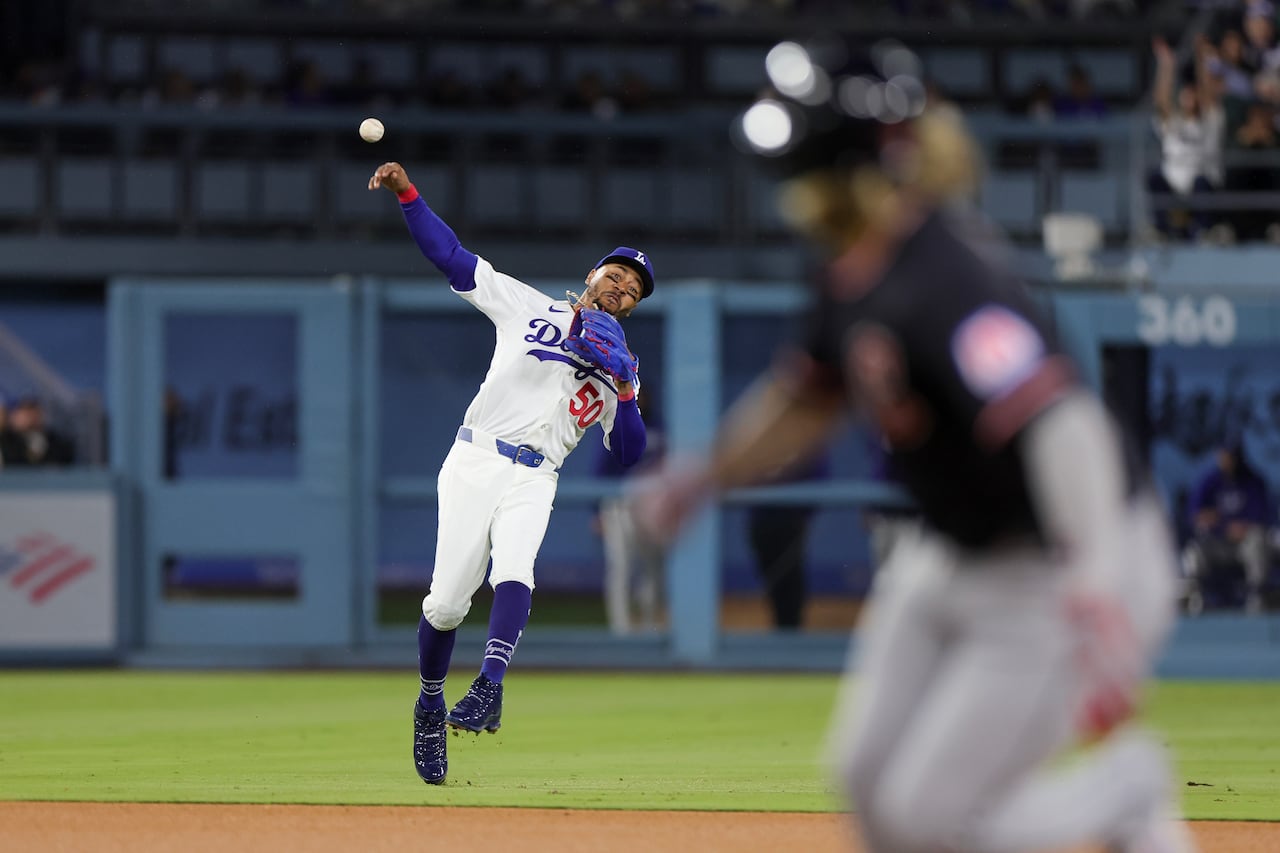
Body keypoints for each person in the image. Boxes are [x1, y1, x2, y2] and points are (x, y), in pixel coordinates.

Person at [632, 38, 1192, 852]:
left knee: (931, 815)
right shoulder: (846, 273)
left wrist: (1096, 574)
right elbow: (801, 401)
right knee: (867, 781)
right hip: (957, 550)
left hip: (1059, 557)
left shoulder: (945, 275)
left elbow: (1061, 421)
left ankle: (1124, 792)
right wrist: (703, 478)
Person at [367, 161, 654, 787]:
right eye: (615, 274)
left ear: (632, 307)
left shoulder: (621, 370)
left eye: (633, 288)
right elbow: (452, 257)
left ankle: (490, 686)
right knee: (445, 606)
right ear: (592, 275)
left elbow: (630, 453)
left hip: (537, 475)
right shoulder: (529, 307)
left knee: (517, 568)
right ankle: (428, 702)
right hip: (476, 459)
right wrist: (409, 194)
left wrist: (628, 389)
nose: (621, 287)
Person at [594, 384, 666, 635]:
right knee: (621, 568)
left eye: (643, 395)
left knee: (652, 568)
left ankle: (649, 626)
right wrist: (596, 513)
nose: (641, 400)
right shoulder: (617, 424)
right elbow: (601, 473)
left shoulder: (660, 427)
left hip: (652, 505)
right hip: (619, 505)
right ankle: (621, 630)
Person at [1148, 35, 1225, 242]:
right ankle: (1162, 229)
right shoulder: (1173, 123)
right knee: (1154, 178)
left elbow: (1208, 93)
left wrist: (1201, 59)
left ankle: (1202, 229)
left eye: (1194, 94)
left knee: (1202, 184)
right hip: (1173, 180)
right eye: (1187, 94)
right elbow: (1162, 100)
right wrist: (1167, 65)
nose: (1191, 98)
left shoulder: (1209, 122)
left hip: (1200, 180)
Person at [1183, 441, 1273, 614]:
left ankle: (1257, 595)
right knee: (1194, 551)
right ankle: (1197, 595)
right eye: (1223, 455)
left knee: (1258, 542)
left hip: (1245, 544)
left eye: (1230, 456)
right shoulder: (1210, 481)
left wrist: (1234, 525)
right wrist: (1223, 525)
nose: (1226, 460)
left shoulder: (1253, 482)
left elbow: (1261, 517)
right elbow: (1195, 514)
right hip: (1218, 541)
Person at [745, 452, 828, 630]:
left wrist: (804, 512)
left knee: (790, 579)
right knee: (771, 578)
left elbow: (820, 474)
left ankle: (791, 632)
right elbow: (743, 472)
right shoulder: (761, 440)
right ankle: (782, 630)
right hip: (761, 520)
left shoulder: (805, 442)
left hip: (791, 520)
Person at [0, 396, 75, 467]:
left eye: (34, 410)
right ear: (13, 415)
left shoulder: (56, 441)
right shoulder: (5, 441)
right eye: (25, 411)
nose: (31, 416)